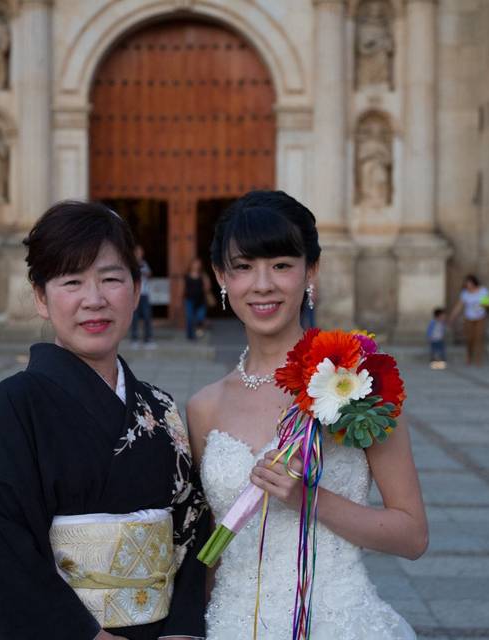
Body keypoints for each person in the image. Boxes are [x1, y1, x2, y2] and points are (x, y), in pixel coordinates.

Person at [0, 201, 208, 640]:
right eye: (72, 281)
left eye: (111, 278)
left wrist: (182, 628)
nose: (94, 299)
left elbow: (193, 529)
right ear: (41, 297)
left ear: (137, 290)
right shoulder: (14, 405)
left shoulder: (159, 408)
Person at [186, 191, 427, 639]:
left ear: (310, 271)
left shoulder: (359, 383)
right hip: (232, 625)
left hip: (338, 622)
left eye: (281, 265)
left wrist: (309, 499)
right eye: (243, 267)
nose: (262, 284)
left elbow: (412, 536)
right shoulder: (204, 407)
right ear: (221, 276)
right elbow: (211, 554)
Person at [448, 274, 489, 365]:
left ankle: (478, 359)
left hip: (480, 317)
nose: (468, 286)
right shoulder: (465, 293)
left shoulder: (483, 291)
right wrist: (452, 317)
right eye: (466, 284)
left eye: (469, 283)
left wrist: (484, 305)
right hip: (469, 318)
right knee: (470, 338)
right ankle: (469, 356)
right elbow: (459, 306)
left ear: (474, 283)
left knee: (479, 338)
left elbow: (487, 303)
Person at [130, 245, 155, 348]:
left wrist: (145, 273)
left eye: (141, 252)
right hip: (134, 293)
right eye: (137, 252)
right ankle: (134, 339)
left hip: (144, 293)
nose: (139, 254)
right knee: (134, 317)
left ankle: (148, 339)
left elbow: (149, 274)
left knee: (147, 316)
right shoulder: (131, 264)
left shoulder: (144, 263)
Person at [181, 257, 211, 341]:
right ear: (191, 265)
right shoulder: (186, 275)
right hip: (189, 300)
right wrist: (181, 299)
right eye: (195, 264)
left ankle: (198, 331)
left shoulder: (202, 275)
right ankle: (190, 335)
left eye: (198, 264)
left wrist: (206, 283)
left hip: (200, 300)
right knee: (189, 318)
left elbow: (208, 287)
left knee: (200, 318)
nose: (196, 265)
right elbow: (183, 288)